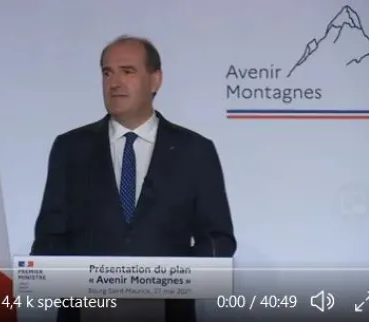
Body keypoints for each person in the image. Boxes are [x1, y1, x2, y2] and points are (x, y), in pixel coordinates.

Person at [30, 35, 237, 322]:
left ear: (155, 80)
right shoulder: (70, 148)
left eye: (127, 71)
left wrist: (166, 278)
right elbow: (48, 239)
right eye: (107, 72)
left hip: (167, 311)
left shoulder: (195, 151)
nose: (114, 83)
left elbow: (219, 239)